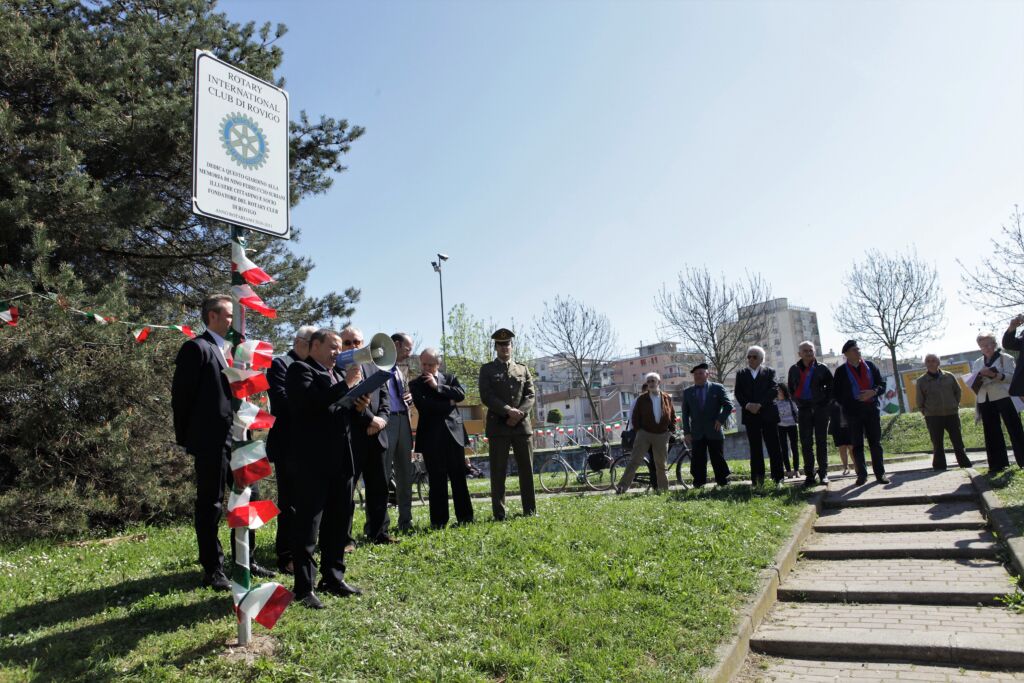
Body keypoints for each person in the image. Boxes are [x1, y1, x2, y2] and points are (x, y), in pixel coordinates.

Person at [171, 294, 275, 591]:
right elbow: (181, 397)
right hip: (212, 440)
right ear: (213, 316)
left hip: (242, 437)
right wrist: (187, 438)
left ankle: (246, 559)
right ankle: (213, 568)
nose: (236, 321)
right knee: (211, 504)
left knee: (250, 497)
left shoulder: (236, 351)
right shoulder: (197, 348)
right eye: (231, 315)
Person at [287, 328, 370, 609]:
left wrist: (359, 407)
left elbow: (339, 413)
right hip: (314, 461)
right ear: (315, 346)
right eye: (333, 347)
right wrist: (346, 385)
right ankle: (304, 587)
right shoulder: (301, 370)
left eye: (339, 348)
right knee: (309, 526)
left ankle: (333, 577)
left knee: (338, 522)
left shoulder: (337, 375)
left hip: (341, 459)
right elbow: (309, 405)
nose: (338, 352)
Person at [266, 325, 317, 575]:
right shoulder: (280, 364)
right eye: (314, 342)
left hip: (313, 444)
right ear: (299, 342)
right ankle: (286, 554)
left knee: (309, 501)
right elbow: (281, 401)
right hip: (288, 445)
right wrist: (315, 405)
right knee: (290, 503)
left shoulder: (316, 367)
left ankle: (306, 549)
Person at [339, 325, 395, 549]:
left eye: (357, 342)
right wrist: (369, 419)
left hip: (377, 437)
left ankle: (379, 532)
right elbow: (347, 403)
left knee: (379, 488)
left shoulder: (375, 366)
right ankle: (345, 539)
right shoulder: (338, 368)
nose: (353, 346)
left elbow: (385, 399)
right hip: (351, 439)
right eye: (348, 343)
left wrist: (381, 420)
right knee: (347, 492)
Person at [410, 348, 473, 528]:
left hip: (454, 435)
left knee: (458, 478)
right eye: (423, 364)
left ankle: (465, 518)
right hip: (431, 438)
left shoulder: (450, 378)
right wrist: (449, 402)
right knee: (437, 480)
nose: (426, 368)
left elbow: (460, 394)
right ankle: (438, 521)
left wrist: (437, 387)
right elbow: (425, 407)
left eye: (430, 365)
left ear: (438, 364)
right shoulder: (415, 384)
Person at [479, 327, 536, 520]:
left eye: (507, 344)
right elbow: (487, 396)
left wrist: (519, 414)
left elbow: (530, 395)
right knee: (498, 472)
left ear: (512, 346)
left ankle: (530, 511)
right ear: (495, 347)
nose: (505, 348)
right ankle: (499, 514)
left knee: (526, 470)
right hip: (499, 427)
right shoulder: (487, 370)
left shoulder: (522, 369)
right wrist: (507, 411)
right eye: (501, 345)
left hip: (522, 426)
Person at [832, 340, 889, 486]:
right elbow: (836, 393)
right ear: (846, 354)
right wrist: (850, 403)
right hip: (853, 413)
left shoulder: (870, 366)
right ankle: (862, 475)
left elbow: (882, 384)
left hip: (871, 410)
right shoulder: (841, 371)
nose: (858, 351)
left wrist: (873, 392)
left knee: (875, 443)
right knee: (857, 445)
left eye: (858, 349)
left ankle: (880, 474)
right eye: (854, 350)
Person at [615, 372, 677, 493]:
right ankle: (622, 487)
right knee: (634, 461)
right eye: (648, 381)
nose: (650, 383)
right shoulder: (642, 399)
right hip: (644, 434)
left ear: (658, 382)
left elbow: (673, 416)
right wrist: (639, 431)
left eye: (653, 381)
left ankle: (663, 489)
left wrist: (671, 431)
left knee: (661, 464)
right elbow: (634, 417)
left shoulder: (666, 397)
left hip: (662, 435)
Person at [971, 331, 1024, 471]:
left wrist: (995, 375)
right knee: (991, 432)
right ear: (980, 347)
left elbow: (1013, 377)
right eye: (983, 346)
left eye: (989, 344)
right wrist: (978, 378)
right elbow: (973, 381)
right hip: (985, 398)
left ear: (995, 344)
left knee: (1015, 429)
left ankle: (1022, 461)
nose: (986, 348)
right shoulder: (977, 362)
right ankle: (997, 465)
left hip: (1004, 397)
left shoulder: (1006, 358)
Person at [734, 345, 785, 487]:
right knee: (755, 448)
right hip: (750, 415)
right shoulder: (741, 373)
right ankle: (757, 480)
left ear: (761, 358)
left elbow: (773, 389)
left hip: (768, 415)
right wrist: (747, 405)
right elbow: (738, 393)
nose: (751, 359)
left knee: (774, 447)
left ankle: (778, 479)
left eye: (754, 356)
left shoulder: (770, 372)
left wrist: (760, 404)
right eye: (749, 356)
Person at [787, 341, 834, 487]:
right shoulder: (794, 369)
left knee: (821, 442)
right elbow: (791, 389)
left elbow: (831, 388)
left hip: (820, 409)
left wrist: (824, 403)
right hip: (804, 410)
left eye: (811, 350)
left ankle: (823, 473)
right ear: (799, 354)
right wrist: (799, 402)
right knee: (806, 443)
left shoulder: (822, 368)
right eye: (805, 351)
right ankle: (809, 475)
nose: (808, 353)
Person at [681, 363, 733, 488]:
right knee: (698, 459)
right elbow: (685, 414)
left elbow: (728, 405)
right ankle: (699, 484)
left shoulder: (717, 388)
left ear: (707, 374)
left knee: (717, 457)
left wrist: (720, 420)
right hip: (696, 432)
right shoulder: (687, 392)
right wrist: (687, 432)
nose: (697, 376)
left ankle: (723, 483)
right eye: (695, 374)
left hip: (714, 429)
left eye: (700, 373)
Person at [916, 353, 971, 470]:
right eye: (928, 361)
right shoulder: (921, 381)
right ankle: (939, 466)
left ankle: (965, 464)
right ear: (925, 364)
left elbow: (958, 391)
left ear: (938, 363)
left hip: (952, 414)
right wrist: (925, 411)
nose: (931, 363)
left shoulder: (949, 376)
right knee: (937, 443)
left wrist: (954, 404)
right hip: (933, 416)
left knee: (957, 441)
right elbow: (919, 399)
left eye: (933, 360)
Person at [384, 332, 416, 531]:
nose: (409, 353)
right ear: (396, 345)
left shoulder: (400, 371)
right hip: (386, 423)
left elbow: (403, 396)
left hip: (404, 421)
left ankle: (406, 521)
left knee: (405, 474)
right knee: (383, 475)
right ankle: (380, 525)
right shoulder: (376, 367)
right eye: (407, 349)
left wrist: (409, 399)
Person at [776, 384, 800, 478]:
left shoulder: (790, 401)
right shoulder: (775, 403)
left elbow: (796, 412)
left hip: (792, 426)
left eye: (780, 390)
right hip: (781, 427)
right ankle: (788, 471)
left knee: (795, 448)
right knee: (784, 449)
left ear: (784, 391)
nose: (779, 392)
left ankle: (796, 470)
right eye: (777, 390)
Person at [829, 401, 852, 475]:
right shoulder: (832, 401)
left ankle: (857, 467)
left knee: (852, 447)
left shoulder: (848, 398)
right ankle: (846, 467)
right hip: (837, 428)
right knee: (842, 448)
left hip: (850, 427)